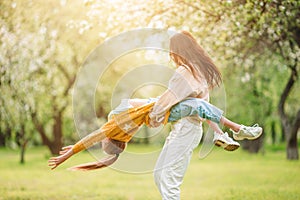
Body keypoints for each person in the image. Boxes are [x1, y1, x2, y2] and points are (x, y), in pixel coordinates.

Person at [147, 31, 262, 200]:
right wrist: (218, 131)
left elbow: (170, 98)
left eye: (172, 51)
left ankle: (235, 129)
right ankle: (234, 130)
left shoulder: (186, 71)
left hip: (186, 129)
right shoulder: (197, 71)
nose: (171, 56)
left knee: (169, 179)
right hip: (185, 129)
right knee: (160, 176)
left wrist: (153, 115)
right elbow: (203, 107)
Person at [48, 97, 262, 171]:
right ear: (110, 138)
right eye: (104, 141)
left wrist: (109, 157)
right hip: (163, 108)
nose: (102, 139)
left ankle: (219, 134)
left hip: (160, 104)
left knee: (200, 104)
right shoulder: (116, 127)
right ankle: (238, 129)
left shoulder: (122, 135)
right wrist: (70, 153)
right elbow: (91, 138)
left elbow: (114, 149)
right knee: (200, 105)